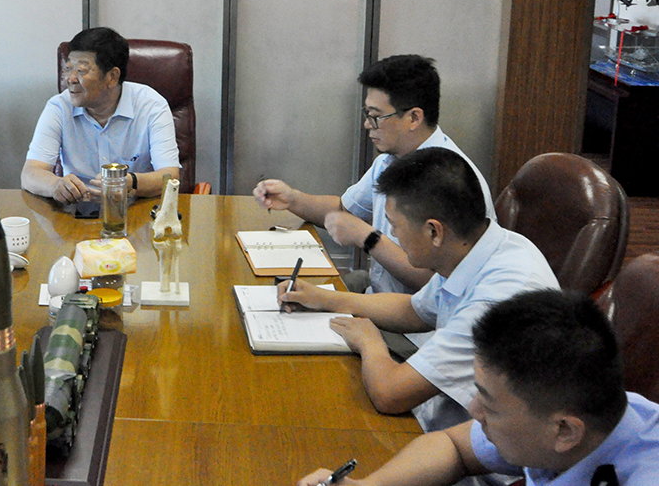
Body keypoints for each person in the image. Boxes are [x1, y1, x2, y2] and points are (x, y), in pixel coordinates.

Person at [277, 148, 557, 435]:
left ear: (434, 231)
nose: (393, 235)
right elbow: (414, 310)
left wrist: (369, 342)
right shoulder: (482, 248)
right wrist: (324, 298)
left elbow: (389, 394)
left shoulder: (495, 300)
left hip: (472, 447)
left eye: (395, 225)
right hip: (443, 419)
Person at [296, 289, 659, 486]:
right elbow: (454, 446)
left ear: (565, 430)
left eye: (490, 405)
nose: (473, 411)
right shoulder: (576, 417)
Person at [254, 54, 495, 297]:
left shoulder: (451, 180)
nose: (368, 124)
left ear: (413, 118)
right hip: (378, 295)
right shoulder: (390, 160)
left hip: (416, 317)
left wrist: (368, 238)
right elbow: (345, 210)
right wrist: (293, 199)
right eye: (367, 113)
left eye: (376, 116)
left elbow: (435, 285)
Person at [21, 27, 181, 204]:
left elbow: (170, 176)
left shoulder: (151, 106)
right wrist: (55, 185)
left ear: (112, 76)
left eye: (81, 71)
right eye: (68, 68)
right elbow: (30, 173)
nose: (70, 79)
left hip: (136, 209)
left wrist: (130, 183)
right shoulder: (59, 107)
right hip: (75, 211)